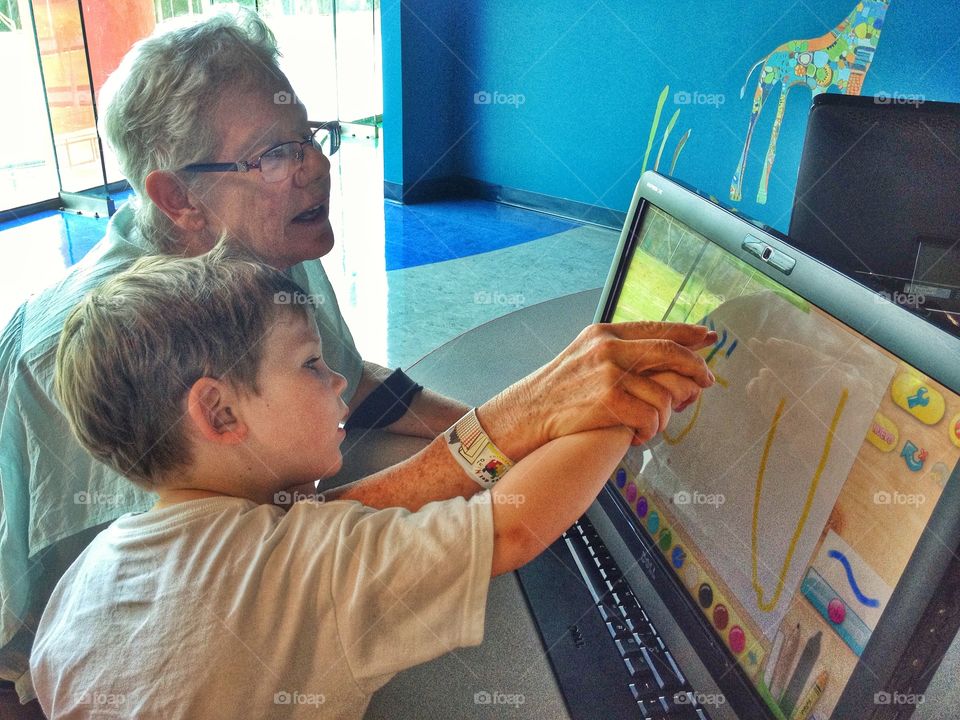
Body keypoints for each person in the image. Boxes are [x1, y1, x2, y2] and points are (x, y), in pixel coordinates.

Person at [0, 11, 715, 702]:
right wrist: (504, 430)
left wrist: (506, 422)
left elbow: (352, 379)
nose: (314, 167)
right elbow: (235, 575)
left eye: (308, 135)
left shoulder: (262, 247)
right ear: (178, 197)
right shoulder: (88, 358)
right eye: (275, 153)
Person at [30, 247, 713, 718]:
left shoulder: (92, 570)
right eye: (310, 365)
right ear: (218, 410)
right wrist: (620, 404)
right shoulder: (301, 564)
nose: (337, 385)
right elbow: (513, 526)